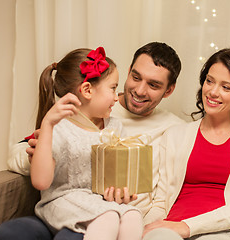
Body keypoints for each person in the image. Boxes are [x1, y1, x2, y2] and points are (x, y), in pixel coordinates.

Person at [0, 42, 230, 240]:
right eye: (135, 77)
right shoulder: (89, 104)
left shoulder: (173, 129)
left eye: (154, 85)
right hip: (67, 205)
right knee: (14, 232)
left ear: (169, 91)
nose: (139, 90)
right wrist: (37, 150)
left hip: (115, 216)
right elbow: (21, 157)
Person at [143, 48, 230, 240]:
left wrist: (187, 226)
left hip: (222, 232)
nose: (213, 92)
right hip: (170, 230)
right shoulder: (174, 135)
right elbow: (160, 202)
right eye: (210, 81)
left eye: (226, 87)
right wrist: (144, 229)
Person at [30, 46, 143, 240]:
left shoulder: (114, 126)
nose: (117, 97)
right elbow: (41, 182)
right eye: (113, 88)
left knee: (133, 216)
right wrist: (47, 124)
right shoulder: (58, 128)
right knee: (107, 217)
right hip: (62, 201)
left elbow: (119, 178)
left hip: (99, 202)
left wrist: (121, 192)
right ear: (87, 90)